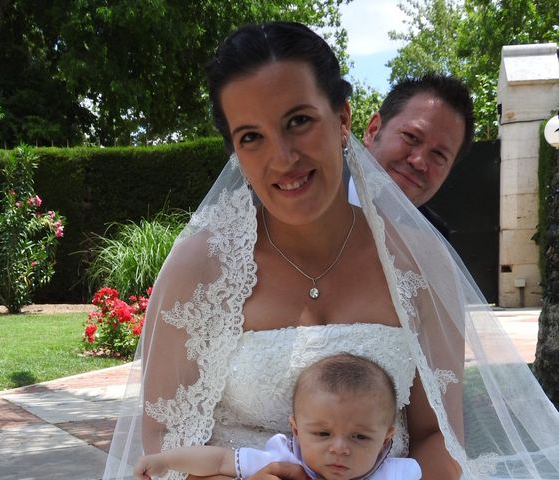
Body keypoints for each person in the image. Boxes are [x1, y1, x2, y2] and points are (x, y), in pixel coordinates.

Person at [104, 21, 559, 480]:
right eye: (251, 137)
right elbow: (164, 441)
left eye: (298, 121)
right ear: (235, 152)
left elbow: (437, 436)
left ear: (342, 120)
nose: (282, 158)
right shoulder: (198, 270)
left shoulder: (420, 264)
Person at [133, 353, 421, 480]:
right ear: (295, 429)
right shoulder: (283, 462)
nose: (339, 448)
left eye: (359, 436)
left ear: (386, 438)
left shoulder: (396, 473)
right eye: (322, 433)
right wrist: (166, 461)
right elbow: (218, 459)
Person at [349, 74, 475, 239]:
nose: (419, 161)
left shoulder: (435, 239)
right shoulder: (313, 196)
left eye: (439, 154)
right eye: (411, 137)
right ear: (373, 130)